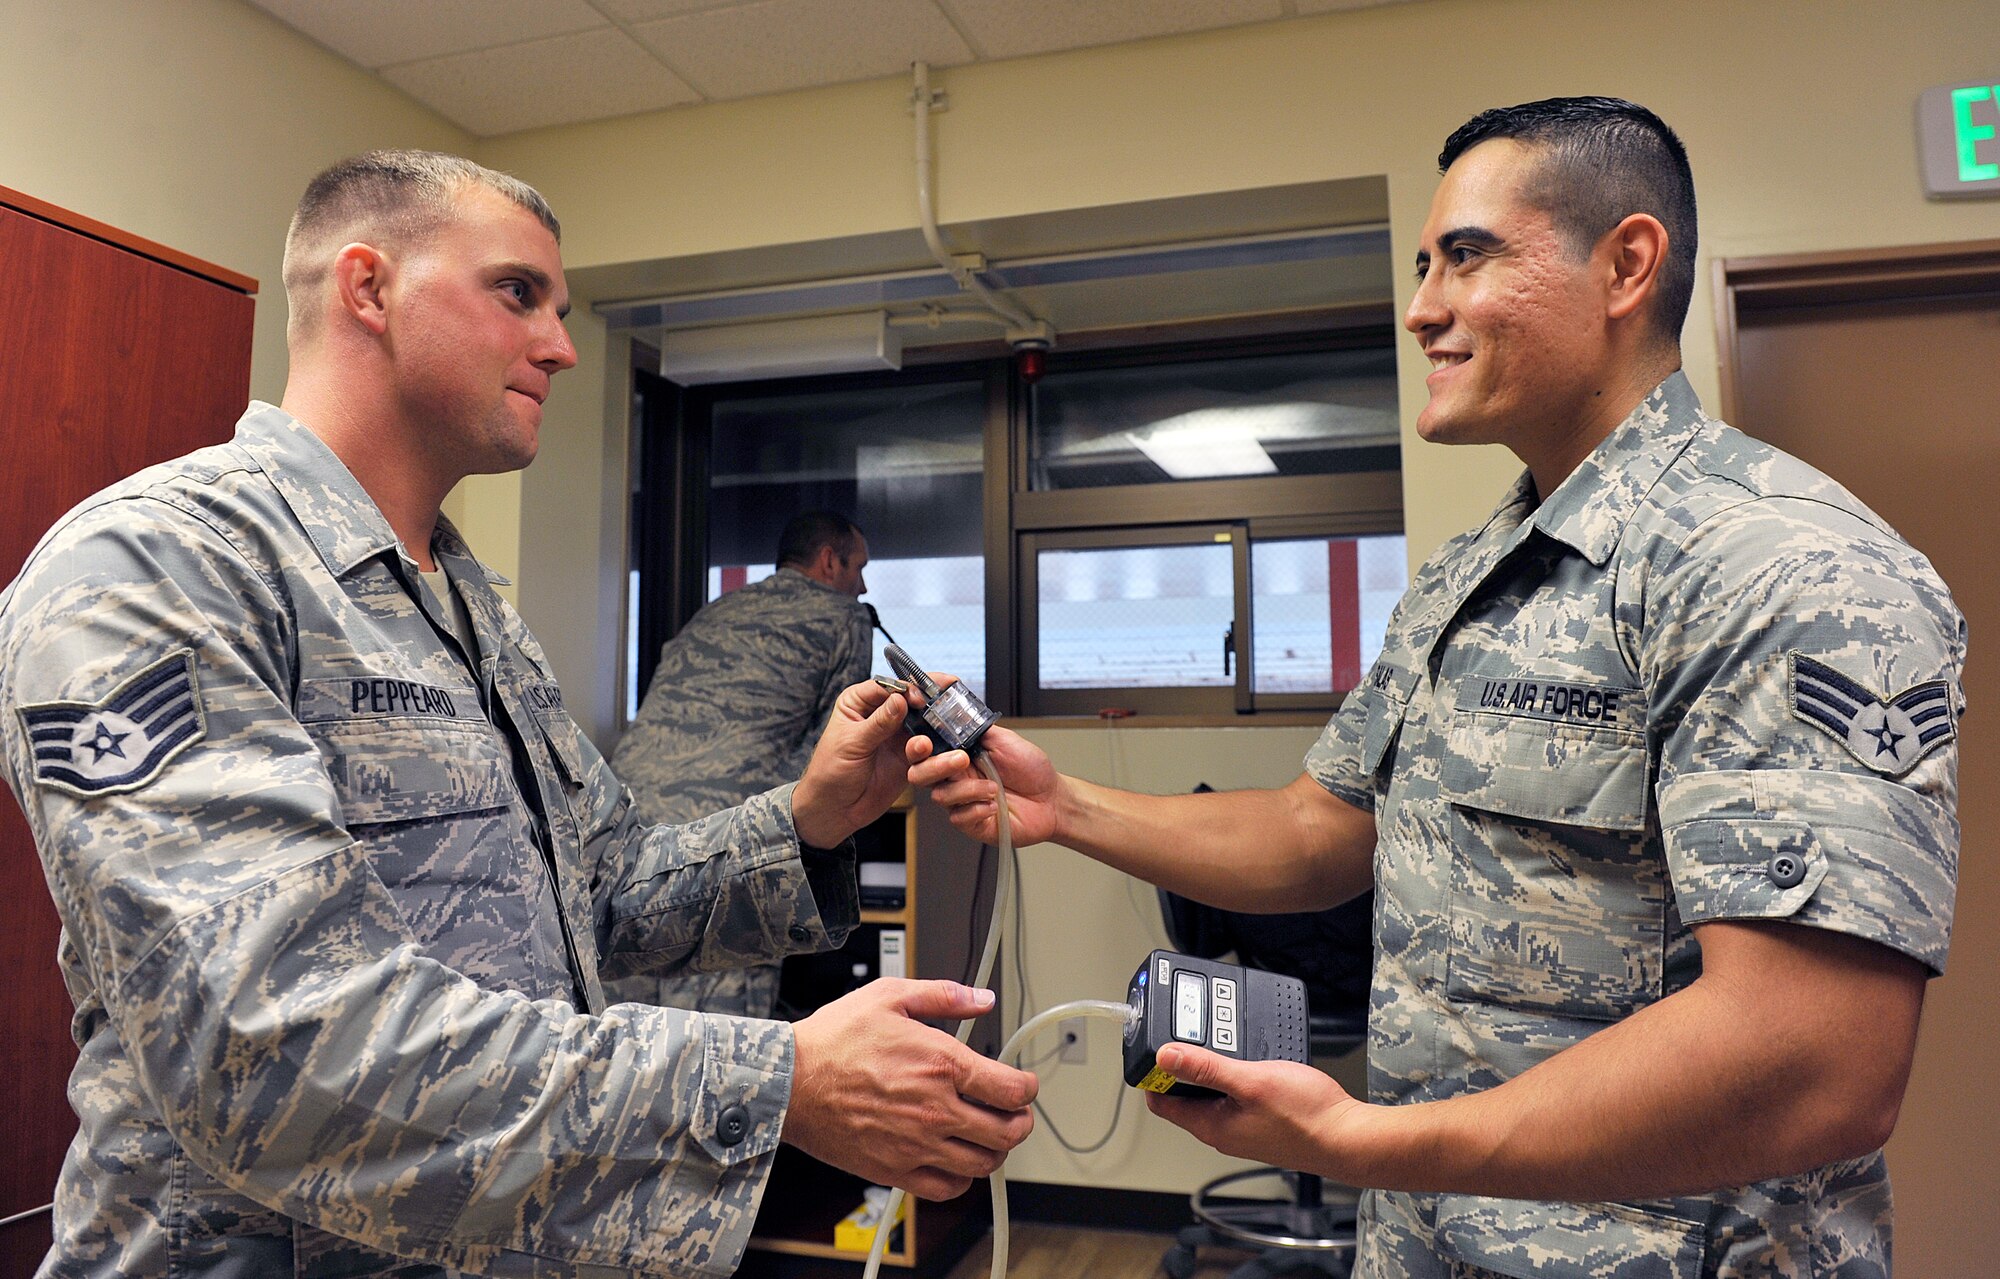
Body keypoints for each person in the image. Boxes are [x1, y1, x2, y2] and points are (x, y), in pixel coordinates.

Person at [910, 98, 1963, 1277]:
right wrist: (1067, 808)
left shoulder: (1775, 564)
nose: (1419, 307)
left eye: (1465, 256)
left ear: (1625, 265)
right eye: (1422, 265)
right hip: (1426, 1241)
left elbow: (1815, 1062)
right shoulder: (1467, 578)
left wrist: (1367, 1140)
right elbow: (1321, 828)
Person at [0, 150, 1035, 1279]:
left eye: (562, 308)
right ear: (368, 289)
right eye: (517, 294)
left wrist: (806, 820)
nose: (560, 344)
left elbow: (602, 892)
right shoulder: (157, 568)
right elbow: (273, 1046)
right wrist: (774, 1080)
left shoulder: (467, 603)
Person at [608, 511, 874, 1016]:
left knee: (627, 1036)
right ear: (828, 561)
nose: (862, 586)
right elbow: (831, 752)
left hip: (629, 833)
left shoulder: (715, 611)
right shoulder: (845, 619)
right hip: (724, 841)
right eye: (858, 568)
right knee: (719, 1052)